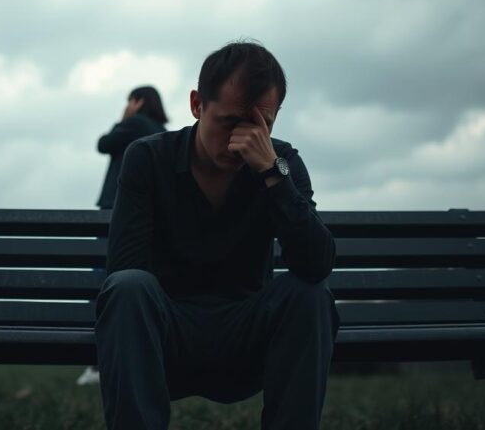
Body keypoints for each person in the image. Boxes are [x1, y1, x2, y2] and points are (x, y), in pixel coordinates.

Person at [94, 41, 339, 429]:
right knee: (128, 287)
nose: (241, 139)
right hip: (167, 334)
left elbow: (316, 264)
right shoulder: (149, 157)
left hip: (246, 335)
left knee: (309, 294)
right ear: (197, 105)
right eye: (229, 121)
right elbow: (125, 268)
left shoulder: (282, 164)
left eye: (261, 125)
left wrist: (272, 176)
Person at [78, 85, 169, 386]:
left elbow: (103, 144)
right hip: (150, 213)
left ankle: (98, 363)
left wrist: (121, 119)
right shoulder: (161, 131)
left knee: (102, 282)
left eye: (130, 100)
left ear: (138, 101)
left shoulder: (133, 123)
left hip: (115, 209)